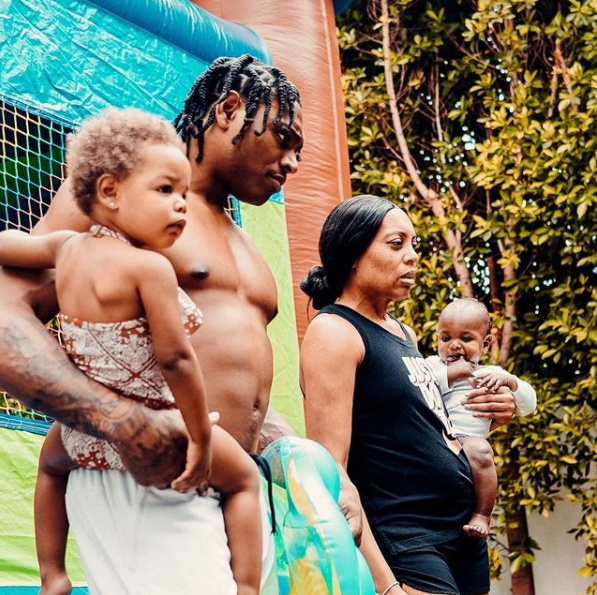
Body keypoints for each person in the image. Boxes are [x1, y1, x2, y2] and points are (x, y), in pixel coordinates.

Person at [0, 54, 303, 594]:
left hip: (223, 487)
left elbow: (220, 371)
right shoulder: (120, 203)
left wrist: (292, 455)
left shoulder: (242, 242)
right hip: (147, 483)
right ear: (230, 110)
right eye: (284, 136)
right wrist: (119, 420)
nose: (294, 161)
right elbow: (5, 313)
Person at [300, 195, 518, 595]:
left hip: (459, 531)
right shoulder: (334, 332)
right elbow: (331, 472)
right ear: (353, 252)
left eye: (413, 244)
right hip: (406, 537)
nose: (413, 256)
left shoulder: (404, 333)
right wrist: (386, 586)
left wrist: (492, 410)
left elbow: (419, 425)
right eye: (396, 243)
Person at [425, 298, 536, 539]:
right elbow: (418, 390)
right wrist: (450, 374)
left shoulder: (491, 373)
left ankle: (482, 514)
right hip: (435, 437)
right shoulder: (432, 366)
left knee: (482, 452)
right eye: (446, 338)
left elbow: (529, 405)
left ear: (485, 344)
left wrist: (511, 383)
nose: (454, 345)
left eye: (465, 339)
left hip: (469, 441)